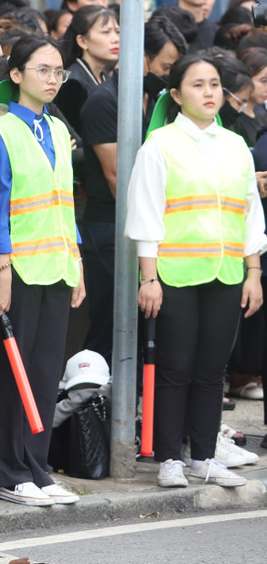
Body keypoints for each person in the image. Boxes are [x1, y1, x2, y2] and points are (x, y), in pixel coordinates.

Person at [128, 53, 264, 489]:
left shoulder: (235, 145)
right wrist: (148, 278)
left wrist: (254, 271)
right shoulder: (160, 145)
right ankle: (169, 458)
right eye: (197, 85)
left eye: (214, 85)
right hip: (174, 275)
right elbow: (145, 215)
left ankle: (203, 456)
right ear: (176, 95)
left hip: (226, 273)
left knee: (211, 371)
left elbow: (250, 213)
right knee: (174, 368)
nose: (208, 93)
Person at [0, 35, 86, 506]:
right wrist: (1, 270)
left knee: (44, 373)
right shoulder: (1, 131)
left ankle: (36, 467)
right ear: (16, 75)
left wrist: (77, 262)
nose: (52, 79)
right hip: (18, 268)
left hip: (58, 266)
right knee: (10, 374)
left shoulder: (58, 131)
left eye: (59, 71)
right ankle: (5, 470)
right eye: (42, 69)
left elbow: (65, 205)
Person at [79, 19, 186, 360]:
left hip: (143, 227)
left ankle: (138, 402)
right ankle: (99, 406)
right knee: (110, 324)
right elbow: (116, 178)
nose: (169, 75)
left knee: (142, 325)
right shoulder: (104, 101)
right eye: (166, 66)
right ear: (140, 56)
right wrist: (147, 229)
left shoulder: (153, 97)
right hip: (111, 225)